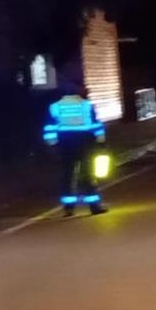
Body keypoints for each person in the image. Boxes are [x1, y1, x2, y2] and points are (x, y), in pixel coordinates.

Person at [43, 86, 108, 216]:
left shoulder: (55, 107)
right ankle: (94, 206)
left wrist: (53, 145)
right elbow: (96, 125)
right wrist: (101, 141)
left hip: (65, 143)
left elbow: (49, 127)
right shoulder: (87, 105)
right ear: (79, 93)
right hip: (85, 142)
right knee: (88, 174)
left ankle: (68, 208)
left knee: (67, 175)